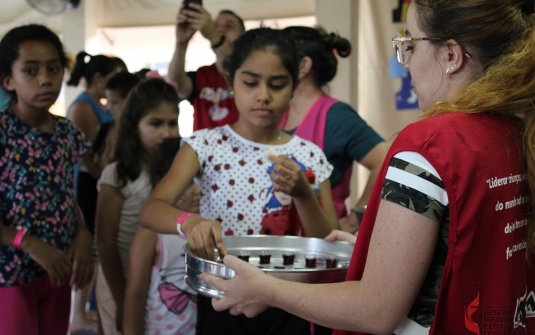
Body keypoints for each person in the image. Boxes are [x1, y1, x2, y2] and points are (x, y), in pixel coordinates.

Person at [200, 1, 535, 334]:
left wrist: (267, 290)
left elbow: (376, 310)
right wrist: (374, 251)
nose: (404, 62)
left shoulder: (428, 144)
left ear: (451, 56)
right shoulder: (513, 130)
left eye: (410, 46)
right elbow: (468, 251)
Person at [140, 27, 339, 335]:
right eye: (250, 82)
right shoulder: (205, 145)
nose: (263, 95)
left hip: (288, 299)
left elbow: (327, 242)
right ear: (231, 82)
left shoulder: (308, 154)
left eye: (277, 84)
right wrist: (189, 222)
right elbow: (151, 209)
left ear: (293, 86)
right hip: (223, 295)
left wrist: (303, 195)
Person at [0, 24, 94, 335]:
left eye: (53, 68)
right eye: (31, 70)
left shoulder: (67, 132)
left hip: (59, 269)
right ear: (8, 79)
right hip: (10, 274)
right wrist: (27, 243)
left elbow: (66, 195)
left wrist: (82, 234)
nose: (45, 79)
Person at [281, 26, 387, 233]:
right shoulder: (276, 112)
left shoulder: (336, 116)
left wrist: (355, 220)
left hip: (323, 244)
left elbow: (386, 161)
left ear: (303, 66)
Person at [96, 78, 180, 334]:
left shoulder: (177, 173)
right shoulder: (118, 175)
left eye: (172, 123)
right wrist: (121, 299)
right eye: (155, 124)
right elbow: (105, 243)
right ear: (134, 126)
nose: (166, 132)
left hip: (155, 282)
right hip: (118, 281)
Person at [123, 137, 199, 335]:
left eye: (203, 180)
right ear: (162, 183)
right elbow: (135, 293)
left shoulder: (210, 228)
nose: (198, 190)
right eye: (189, 182)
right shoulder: (152, 234)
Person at [167, 2, 245, 130]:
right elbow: (176, 86)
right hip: (204, 149)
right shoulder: (203, 74)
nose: (220, 30)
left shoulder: (251, 72)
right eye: (216, 26)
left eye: (229, 26)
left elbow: (232, 66)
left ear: (243, 36)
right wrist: (181, 43)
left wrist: (214, 36)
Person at [94, 71, 141, 170]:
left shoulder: (142, 129)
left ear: (130, 100)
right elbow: (97, 161)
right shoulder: (107, 128)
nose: (110, 107)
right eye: (109, 102)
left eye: (114, 103)